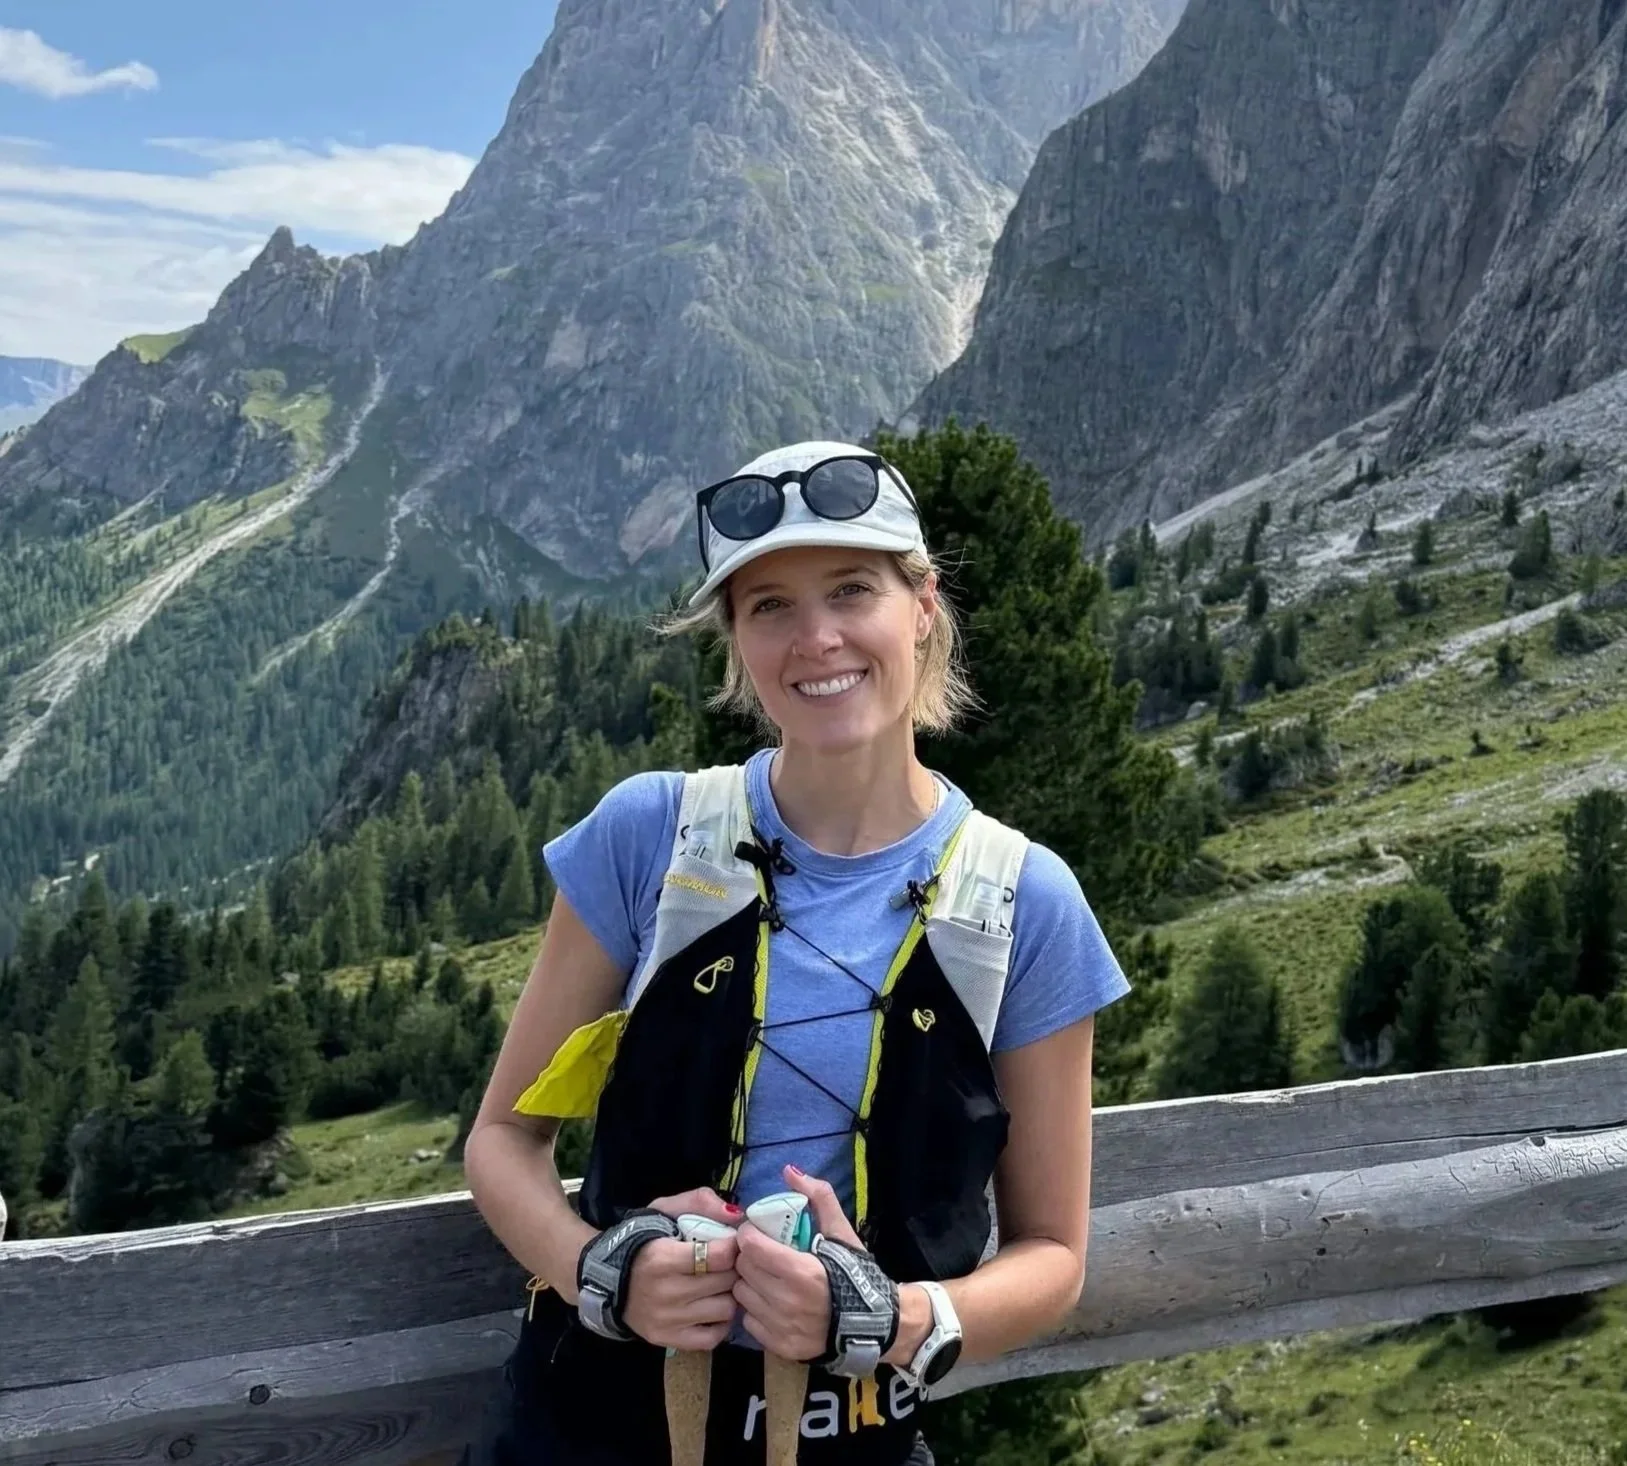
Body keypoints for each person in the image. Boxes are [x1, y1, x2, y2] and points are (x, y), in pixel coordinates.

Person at [461, 440, 1129, 1465]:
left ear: (922, 605)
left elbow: (1052, 1257)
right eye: (768, 605)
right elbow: (504, 1140)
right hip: (583, 1422)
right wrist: (605, 1270)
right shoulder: (647, 835)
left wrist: (888, 1319)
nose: (816, 638)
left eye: (851, 589)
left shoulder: (1023, 900)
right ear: (736, 637)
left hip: (850, 1434)